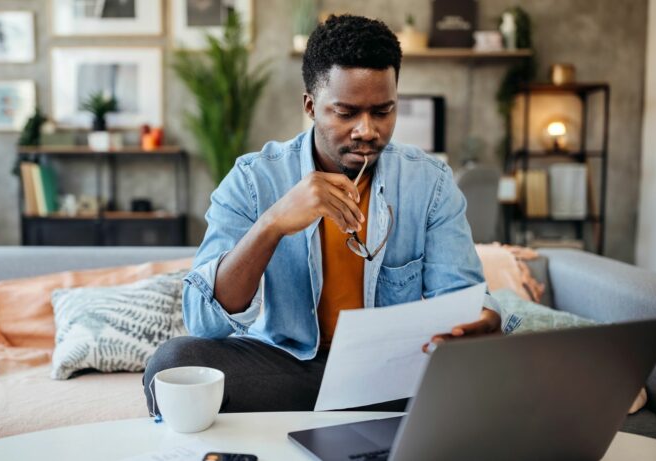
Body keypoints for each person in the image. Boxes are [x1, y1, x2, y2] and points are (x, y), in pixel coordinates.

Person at [144, 14, 500, 413]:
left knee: (506, 377)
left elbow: (458, 299)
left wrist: (478, 320)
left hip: (391, 374)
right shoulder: (253, 178)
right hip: (292, 370)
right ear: (311, 106)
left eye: (383, 111)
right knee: (172, 366)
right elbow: (203, 320)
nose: (367, 130)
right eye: (346, 113)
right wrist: (273, 223)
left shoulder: (430, 182)